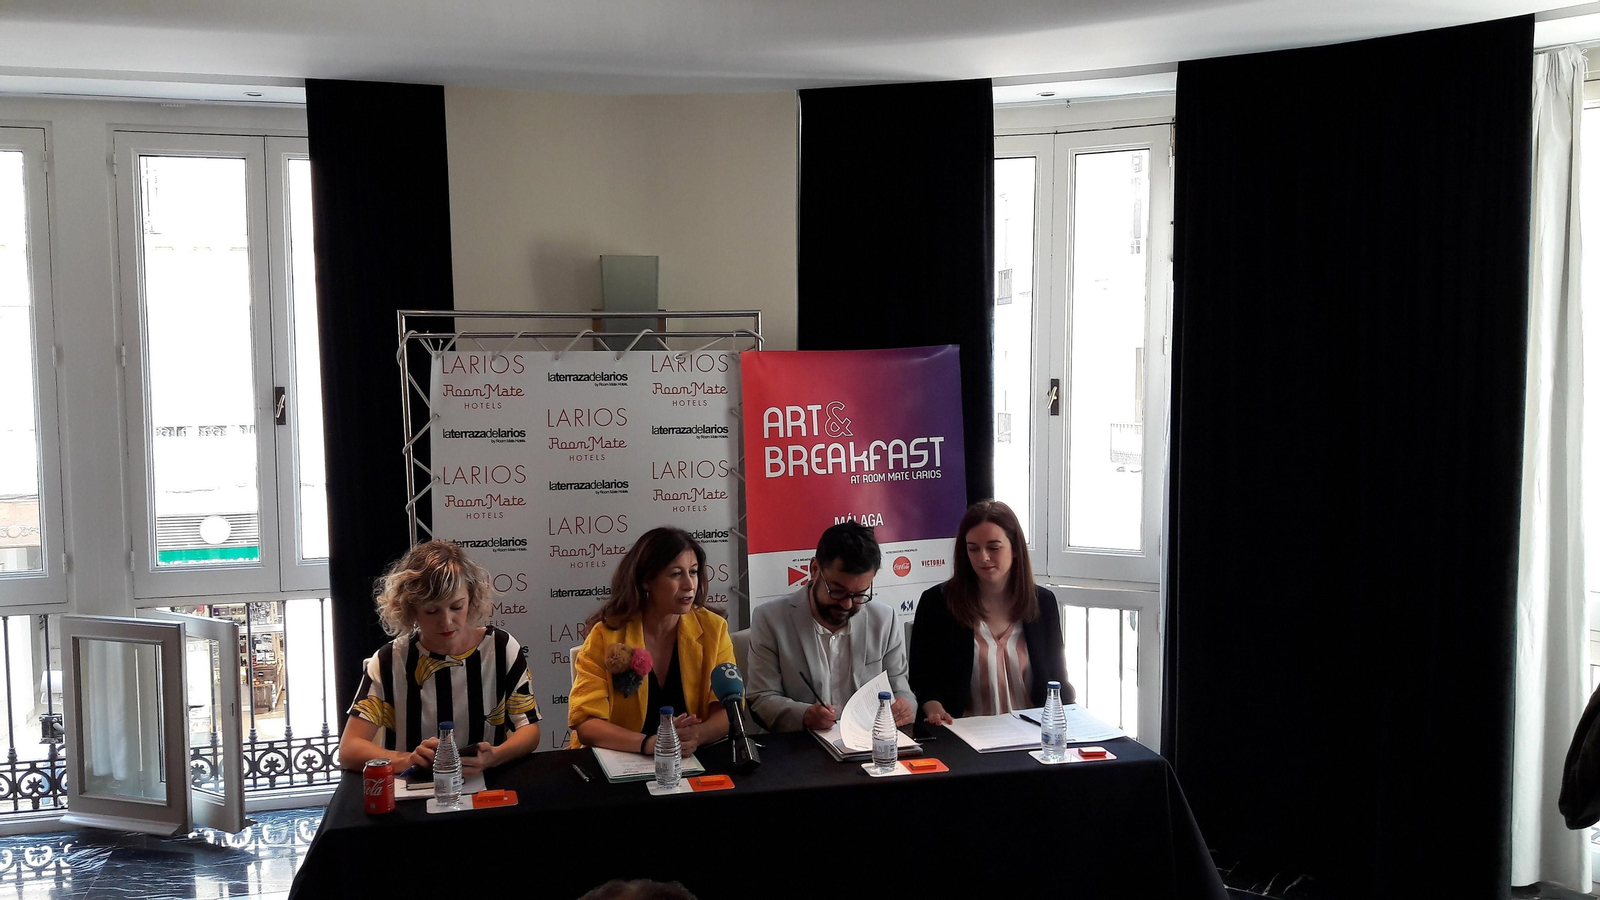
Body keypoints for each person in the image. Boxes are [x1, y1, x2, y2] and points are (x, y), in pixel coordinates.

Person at [338, 540, 541, 773]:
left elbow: (530, 730)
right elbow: (349, 749)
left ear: (471, 599)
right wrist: (406, 760)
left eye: (456, 607)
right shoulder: (388, 661)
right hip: (415, 796)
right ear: (410, 608)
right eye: (432, 611)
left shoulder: (502, 648)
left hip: (485, 789)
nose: (446, 622)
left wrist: (495, 756)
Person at [569, 527, 733, 755]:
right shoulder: (606, 635)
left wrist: (697, 736)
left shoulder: (713, 629)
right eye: (676, 574)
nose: (689, 585)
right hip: (620, 759)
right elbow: (586, 723)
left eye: (693, 572)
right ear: (646, 581)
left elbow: (730, 708)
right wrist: (649, 744)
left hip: (690, 759)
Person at [910, 500, 1073, 724]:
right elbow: (923, 683)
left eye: (994, 548)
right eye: (973, 548)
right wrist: (933, 707)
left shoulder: (1043, 602)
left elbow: (1058, 681)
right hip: (966, 738)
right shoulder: (937, 603)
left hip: (1035, 735)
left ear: (1015, 548)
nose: (983, 557)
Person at [746, 521, 915, 732]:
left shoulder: (884, 619)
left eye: (859, 595)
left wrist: (905, 708)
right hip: (802, 746)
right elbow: (761, 698)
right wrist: (805, 716)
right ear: (815, 570)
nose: (847, 604)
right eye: (837, 591)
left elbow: (902, 690)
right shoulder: (771, 619)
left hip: (869, 746)